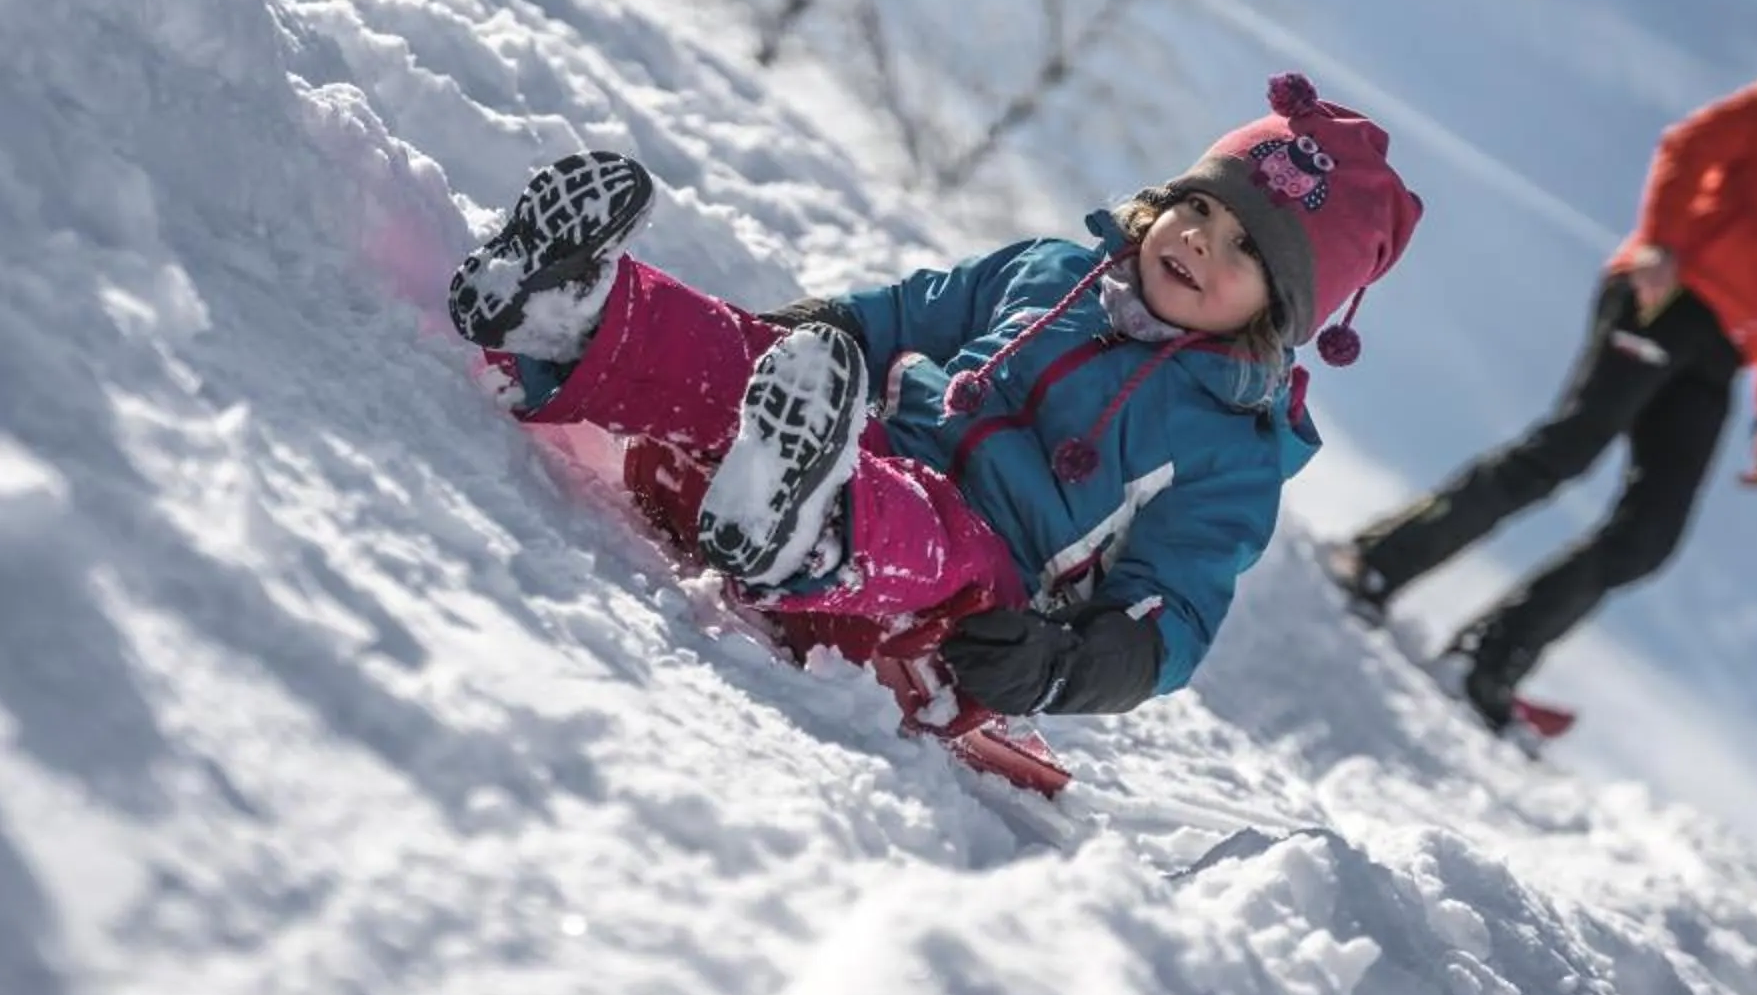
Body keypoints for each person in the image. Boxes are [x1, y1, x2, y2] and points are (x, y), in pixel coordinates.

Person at [447, 74, 1423, 719]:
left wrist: (1058, 664)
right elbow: (902, 317)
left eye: (1245, 246)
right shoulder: (1051, 269)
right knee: (765, 360)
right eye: (1199, 205)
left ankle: (808, 529)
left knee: (928, 528)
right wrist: (810, 329)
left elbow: (1175, 615)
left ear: (1283, 310)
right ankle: (568, 314)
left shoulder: (1234, 444)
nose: (1202, 238)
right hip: (862, 437)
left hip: (978, 577)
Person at [1329, 25, 1757, 730]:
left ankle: (1490, 656)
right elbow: (1695, 142)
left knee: (1651, 533)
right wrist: (1660, 241)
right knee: (1566, 450)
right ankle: (1376, 560)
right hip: (1672, 290)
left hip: (1723, 355)